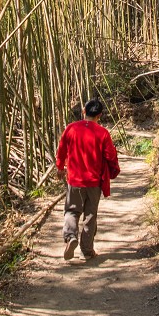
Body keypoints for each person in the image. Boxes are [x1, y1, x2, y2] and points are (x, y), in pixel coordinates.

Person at [56, 99, 120, 260]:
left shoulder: (71, 129)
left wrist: (59, 167)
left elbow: (61, 149)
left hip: (74, 180)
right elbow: (110, 155)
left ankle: (70, 237)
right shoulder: (103, 133)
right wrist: (113, 169)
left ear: (84, 111)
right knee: (90, 215)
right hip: (94, 182)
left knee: (72, 211)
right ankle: (87, 250)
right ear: (99, 115)